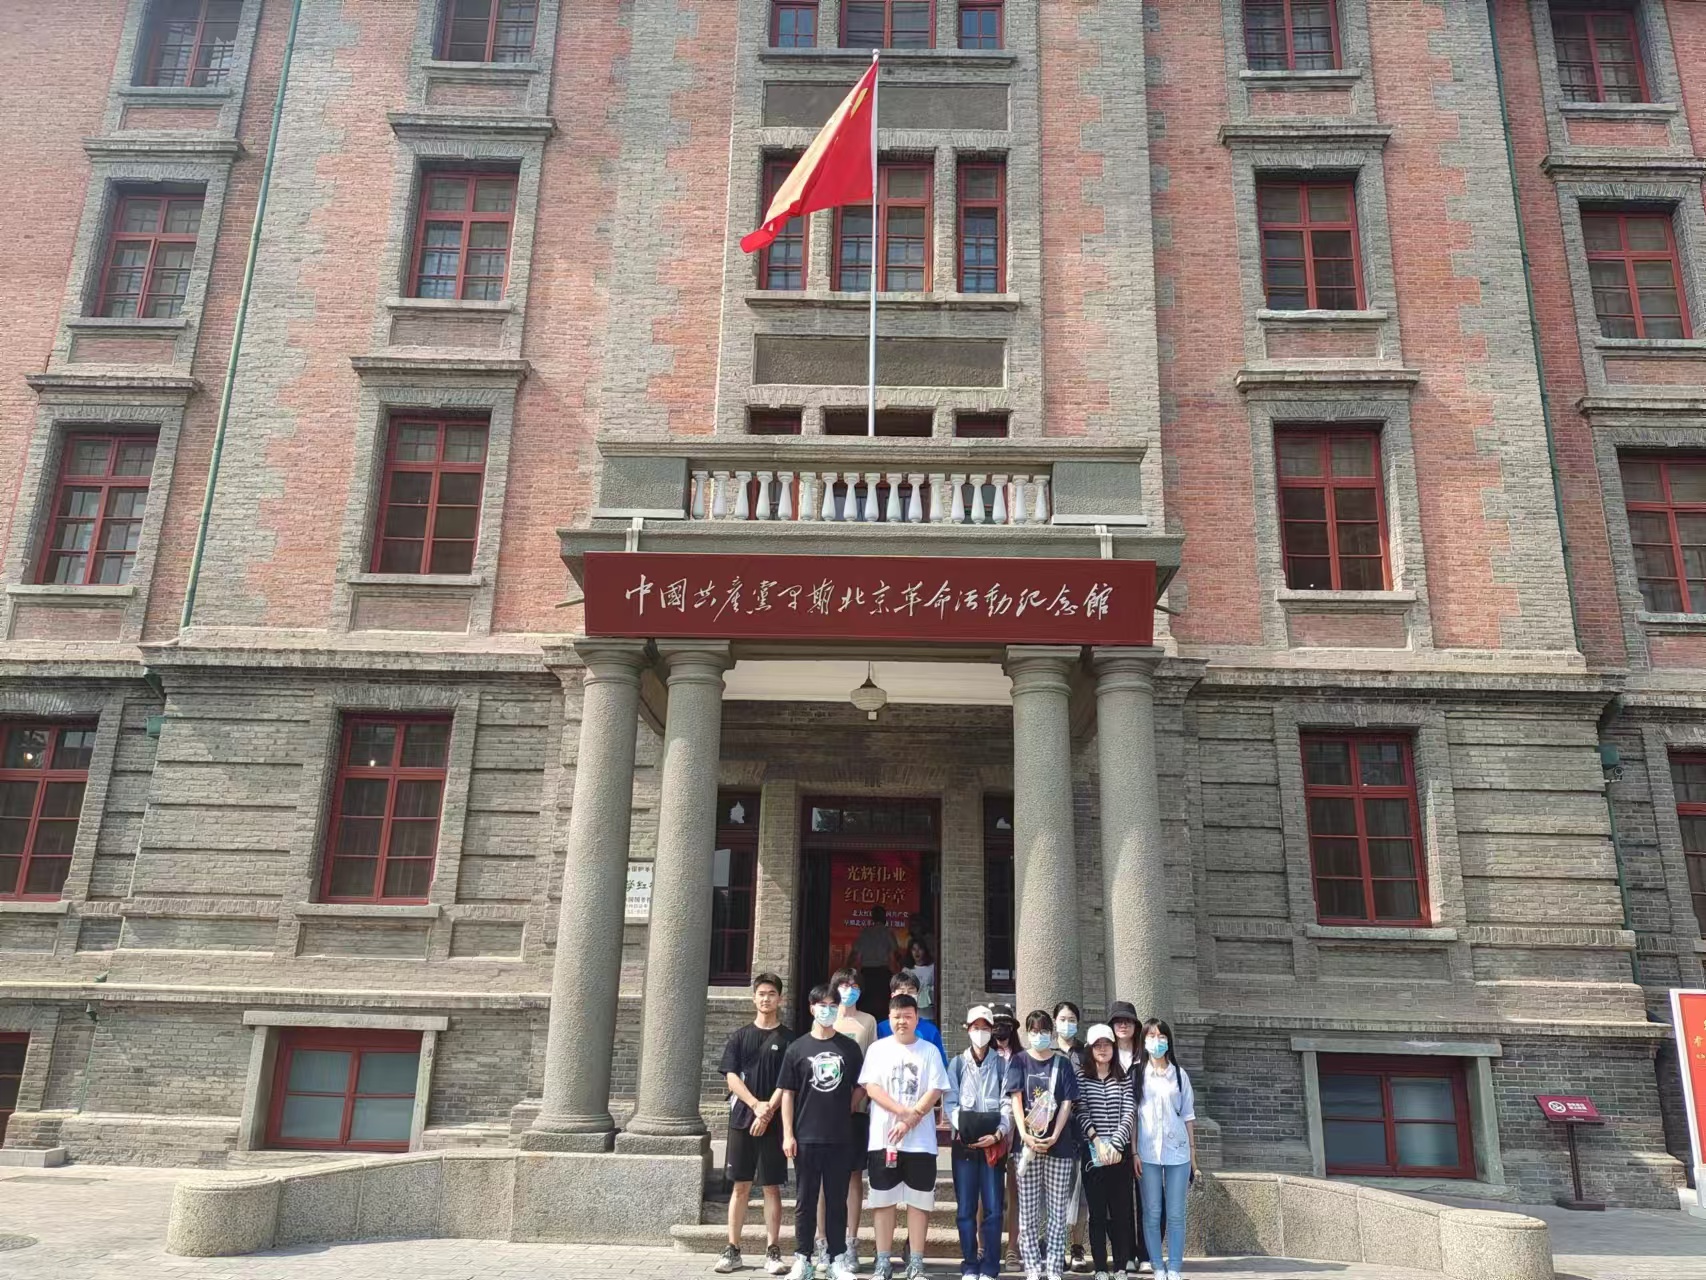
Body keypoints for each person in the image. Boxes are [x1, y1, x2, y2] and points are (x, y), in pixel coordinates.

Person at [859, 992, 950, 1280]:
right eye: (897, 1016)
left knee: (919, 1202)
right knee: (883, 1201)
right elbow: (871, 1088)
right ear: (889, 1018)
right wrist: (902, 1113)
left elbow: (936, 1089)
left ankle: (917, 1262)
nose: (902, 1021)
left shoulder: (929, 1051)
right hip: (884, 1138)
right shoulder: (877, 1049)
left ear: (916, 1019)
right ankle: (883, 1261)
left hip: (921, 1142)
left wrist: (911, 1120)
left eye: (908, 1016)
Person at [781, 984, 866, 1280]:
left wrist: (848, 1106)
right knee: (805, 1201)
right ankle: (803, 1258)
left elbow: (862, 1085)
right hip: (805, 1136)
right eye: (822, 1005)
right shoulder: (797, 1048)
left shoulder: (849, 1048)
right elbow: (788, 1093)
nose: (827, 1010)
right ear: (811, 1008)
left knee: (836, 1200)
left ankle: (837, 1259)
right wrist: (788, 1134)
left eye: (832, 1005)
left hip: (840, 1136)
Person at [717, 973, 797, 1275]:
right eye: (761, 993)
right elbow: (731, 1076)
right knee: (740, 1186)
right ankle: (732, 1248)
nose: (766, 998)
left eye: (772, 993)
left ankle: (773, 1250)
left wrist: (768, 1112)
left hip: (774, 1123)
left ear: (780, 999)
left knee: (771, 1187)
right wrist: (755, 1105)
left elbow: (787, 1082)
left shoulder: (789, 1040)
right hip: (742, 1119)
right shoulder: (739, 1037)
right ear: (754, 998)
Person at [1006, 1009, 1079, 1280]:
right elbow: (1016, 1099)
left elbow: (1067, 1103)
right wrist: (1024, 1135)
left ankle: (1054, 1268)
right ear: (1028, 1033)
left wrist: (1056, 1135)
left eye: (1044, 1031)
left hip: (1059, 1146)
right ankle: (1033, 1268)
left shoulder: (1062, 1063)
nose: (1039, 1035)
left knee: (1058, 1211)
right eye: (1034, 1031)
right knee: (1027, 1211)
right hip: (1027, 1147)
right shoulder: (1019, 1060)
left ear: (1051, 1032)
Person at [946, 1005, 1012, 1280]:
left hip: (993, 1146)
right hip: (964, 1145)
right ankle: (971, 1264)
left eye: (986, 1028)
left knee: (994, 1209)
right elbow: (949, 1102)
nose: (981, 1032)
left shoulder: (1002, 1064)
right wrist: (963, 1127)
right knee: (965, 1209)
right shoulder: (957, 1064)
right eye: (976, 1027)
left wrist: (999, 1133)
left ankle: (990, 1266)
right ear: (967, 1029)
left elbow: (1008, 1102)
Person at [1135, 1020, 1196, 1280]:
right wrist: (1133, 1152)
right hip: (1147, 1151)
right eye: (1151, 1036)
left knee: (1176, 1213)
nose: (1157, 1041)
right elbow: (1133, 1115)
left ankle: (1174, 1267)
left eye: (1161, 1036)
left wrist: (1193, 1154)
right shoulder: (1138, 1074)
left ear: (1168, 1041)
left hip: (1178, 1151)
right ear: (1144, 1041)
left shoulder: (1179, 1075)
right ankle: (1157, 1265)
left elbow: (1189, 1115)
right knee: (1152, 1212)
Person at [827, 968, 877, 1275]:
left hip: (857, 1108)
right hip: (825, 1109)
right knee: (825, 1177)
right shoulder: (827, 1018)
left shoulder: (867, 1021)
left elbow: (871, 1066)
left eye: (854, 985)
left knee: (854, 1176)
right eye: (844, 985)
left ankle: (851, 1241)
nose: (849, 989)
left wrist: (859, 1099)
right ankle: (823, 1241)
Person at [1076, 1026, 1135, 1280]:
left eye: (1107, 1044)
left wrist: (1117, 1143)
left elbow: (1129, 1111)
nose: (1103, 1049)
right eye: (1097, 1045)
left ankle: (1120, 1266)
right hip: (1094, 1154)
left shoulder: (1123, 1077)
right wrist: (1097, 1141)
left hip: (1119, 1154)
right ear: (1090, 1049)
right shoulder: (1082, 1077)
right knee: (1097, 1214)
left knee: (1120, 1213)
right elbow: (1081, 1111)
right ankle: (1100, 1266)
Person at [1106, 1002, 1148, 1276]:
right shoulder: (1104, 1056)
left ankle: (1146, 1253)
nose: (1123, 1025)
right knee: (1119, 1201)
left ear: (1135, 1027)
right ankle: (1124, 1254)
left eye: (1128, 1021)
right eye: (1117, 1021)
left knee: (1147, 1198)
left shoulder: (1144, 1058)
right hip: (1115, 1138)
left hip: (1145, 1136)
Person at [1052, 1002, 1088, 1274]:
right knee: (1056, 1194)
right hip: (1053, 1131)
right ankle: (1057, 1248)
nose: (1067, 1023)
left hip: (1081, 1130)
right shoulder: (1046, 1052)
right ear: (1055, 1022)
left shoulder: (1086, 1053)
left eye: (1072, 1019)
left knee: (1081, 1194)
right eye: (1063, 1019)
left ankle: (1077, 1248)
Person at [990, 1004, 1024, 1273]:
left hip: (1017, 1135)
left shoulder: (1022, 1058)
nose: (1000, 1029)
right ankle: (983, 1246)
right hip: (989, 1133)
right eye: (996, 1024)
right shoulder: (984, 1056)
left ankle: (1013, 1247)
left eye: (1005, 1024)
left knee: (1015, 1195)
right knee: (986, 1194)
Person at [876, 971, 948, 1066]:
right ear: (893, 996)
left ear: (917, 995)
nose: (906, 995)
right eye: (902, 991)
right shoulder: (881, 1028)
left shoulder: (930, 1030)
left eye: (910, 991)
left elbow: (940, 1065)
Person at [848, 905, 903, 1018]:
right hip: (882, 972)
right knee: (883, 1004)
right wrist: (902, 967)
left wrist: (846, 967)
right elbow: (895, 953)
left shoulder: (865, 932)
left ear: (872, 918)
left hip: (867, 972)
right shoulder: (887, 932)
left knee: (866, 1004)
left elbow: (855, 953)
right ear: (884, 917)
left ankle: (867, 1024)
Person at [908, 939, 937, 1015]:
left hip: (929, 1011)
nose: (917, 952)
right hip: (912, 1011)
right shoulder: (906, 970)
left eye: (919, 949)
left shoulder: (932, 968)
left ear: (924, 951)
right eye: (914, 949)